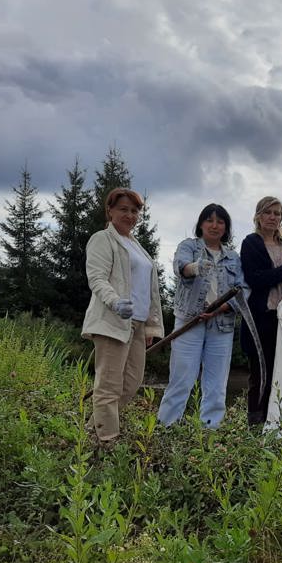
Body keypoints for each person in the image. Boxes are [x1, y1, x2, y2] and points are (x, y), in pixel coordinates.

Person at [82, 187, 166, 448]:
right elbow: (96, 278)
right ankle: (107, 441)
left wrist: (151, 326)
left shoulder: (137, 246)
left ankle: (88, 431)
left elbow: (149, 289)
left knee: (130, 384)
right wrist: (115, 301)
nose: (130, 215)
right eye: (123, 209)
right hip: (113, 322)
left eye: (134, 210)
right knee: (108, 385)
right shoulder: (102, 239)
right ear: (110, 211)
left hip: (138, 325)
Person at [157, 204, 247, 429]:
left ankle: (209, 431)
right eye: (210, 220)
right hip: (189, 322)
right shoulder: (188, 246)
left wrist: (223, 308)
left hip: (222, 325)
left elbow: (243, 290)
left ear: (226, 227)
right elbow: (181, 267)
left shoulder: (233, 257)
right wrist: (195, 267)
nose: (215, 225)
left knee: (216, 384)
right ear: (201, 224)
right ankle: (166, 428)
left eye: (220, 222)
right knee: (182, 378)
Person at [239, 196, 282, 425]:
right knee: (260, 373)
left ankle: (277, 422)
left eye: (277, 213)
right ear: (258, 216)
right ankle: (256, 424)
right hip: (260, 318)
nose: (273, 217)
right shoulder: (250, 243)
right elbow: (255, 279)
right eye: (268, 212)